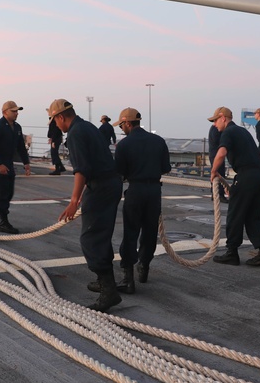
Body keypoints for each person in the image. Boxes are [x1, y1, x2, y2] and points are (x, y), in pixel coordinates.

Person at [51, 99, 123, 311]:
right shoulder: (88, 126)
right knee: (100, 234)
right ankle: (104, 282)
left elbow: (81, 169)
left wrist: (74, 201)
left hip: (100, 186)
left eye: (55, 120)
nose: (55, 125)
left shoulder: (74, 133)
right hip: (110, 183)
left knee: (91, 238)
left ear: (60, 117)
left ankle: (109, 291)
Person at [110, 107, 171, 293]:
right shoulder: (159, 141)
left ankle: (128, 279)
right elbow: (165, 168)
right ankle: (144, 267)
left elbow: (119, 173)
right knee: (150, 231)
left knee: (130, 233)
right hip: (154, 191)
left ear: (128, 123)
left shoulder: (124, 145)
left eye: (122, 125)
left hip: (135, 190)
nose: (121, 129)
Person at [209, 106, 260, 267]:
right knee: (253, 217)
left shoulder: (228, 132)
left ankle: (231, 253)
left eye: (215, 121)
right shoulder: (243, 132)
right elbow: (258, 154)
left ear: (223, 118)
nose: (215, 125)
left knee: (235, 215)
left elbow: (221, 153)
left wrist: (214, 172)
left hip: (246, 177)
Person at [0, 100, 31, 233]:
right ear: (5, 112)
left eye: (17, 111)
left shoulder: (17, 127)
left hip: (9, 165)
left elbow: (21, 147)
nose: (16, 114)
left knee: (8, 194)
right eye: (14, 111)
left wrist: (26, 163)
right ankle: (4, 222)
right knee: (2, 194)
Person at [207, 123, 228, 203]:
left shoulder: (213, 129)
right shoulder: (216, 129)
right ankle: (219, 195)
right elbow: (218, 141)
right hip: (216, 154)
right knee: (220, 174)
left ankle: (215, 194)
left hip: (214, 154)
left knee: (218, 173)